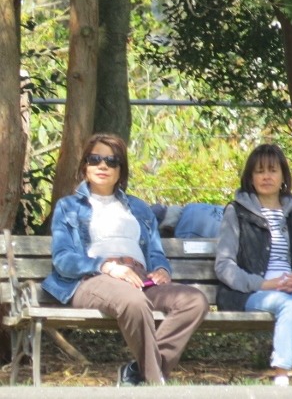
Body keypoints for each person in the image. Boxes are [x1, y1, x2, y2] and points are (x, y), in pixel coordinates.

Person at [42, 133, 209, 386]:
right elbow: (64, 259)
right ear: (84, 165)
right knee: (133, 301)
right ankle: (155, 384)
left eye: (111, 161)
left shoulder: (139, 208)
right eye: (95, 159)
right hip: (93, 279)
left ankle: (137, 372)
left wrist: (162, 269)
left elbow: (155, 252)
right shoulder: (69, 207)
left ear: (121, 170)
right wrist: (106, 267)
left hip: (138, 277)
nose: (102, 166)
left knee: (194, 301)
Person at [214, 143, 292, 387]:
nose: (266, 176)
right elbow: (224, 265)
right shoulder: (236, 212)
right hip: (253, 291)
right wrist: (264, 284)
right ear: (250, 177)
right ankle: (281, 374)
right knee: (287, 305)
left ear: (283, 177)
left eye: (272, 170)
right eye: (259, 171)